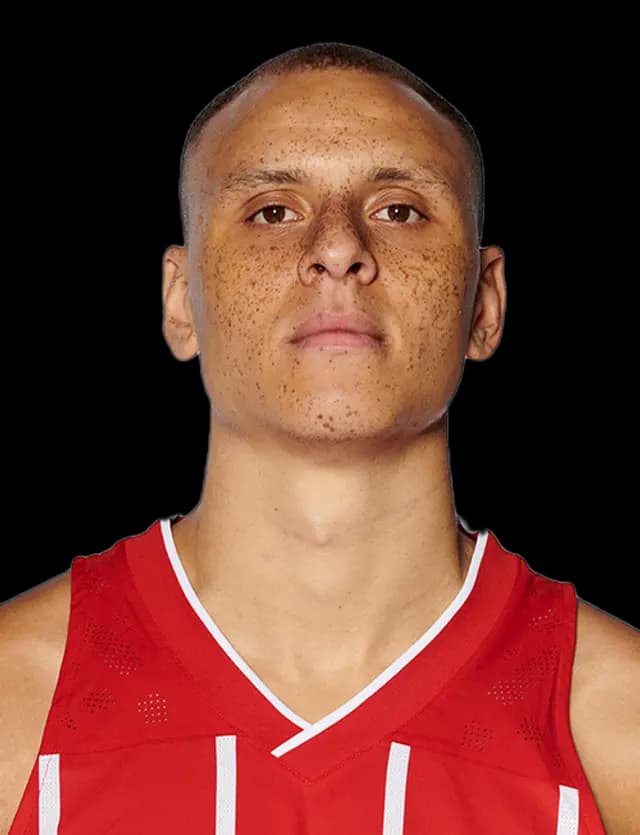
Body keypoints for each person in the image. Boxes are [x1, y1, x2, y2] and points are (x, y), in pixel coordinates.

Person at [1, 41, 638, 834]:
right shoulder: (14, 706)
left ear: (485, 302)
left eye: (399, 209)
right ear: (180, 299)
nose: (338, 248)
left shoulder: (617, 726)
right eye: (273, 211)